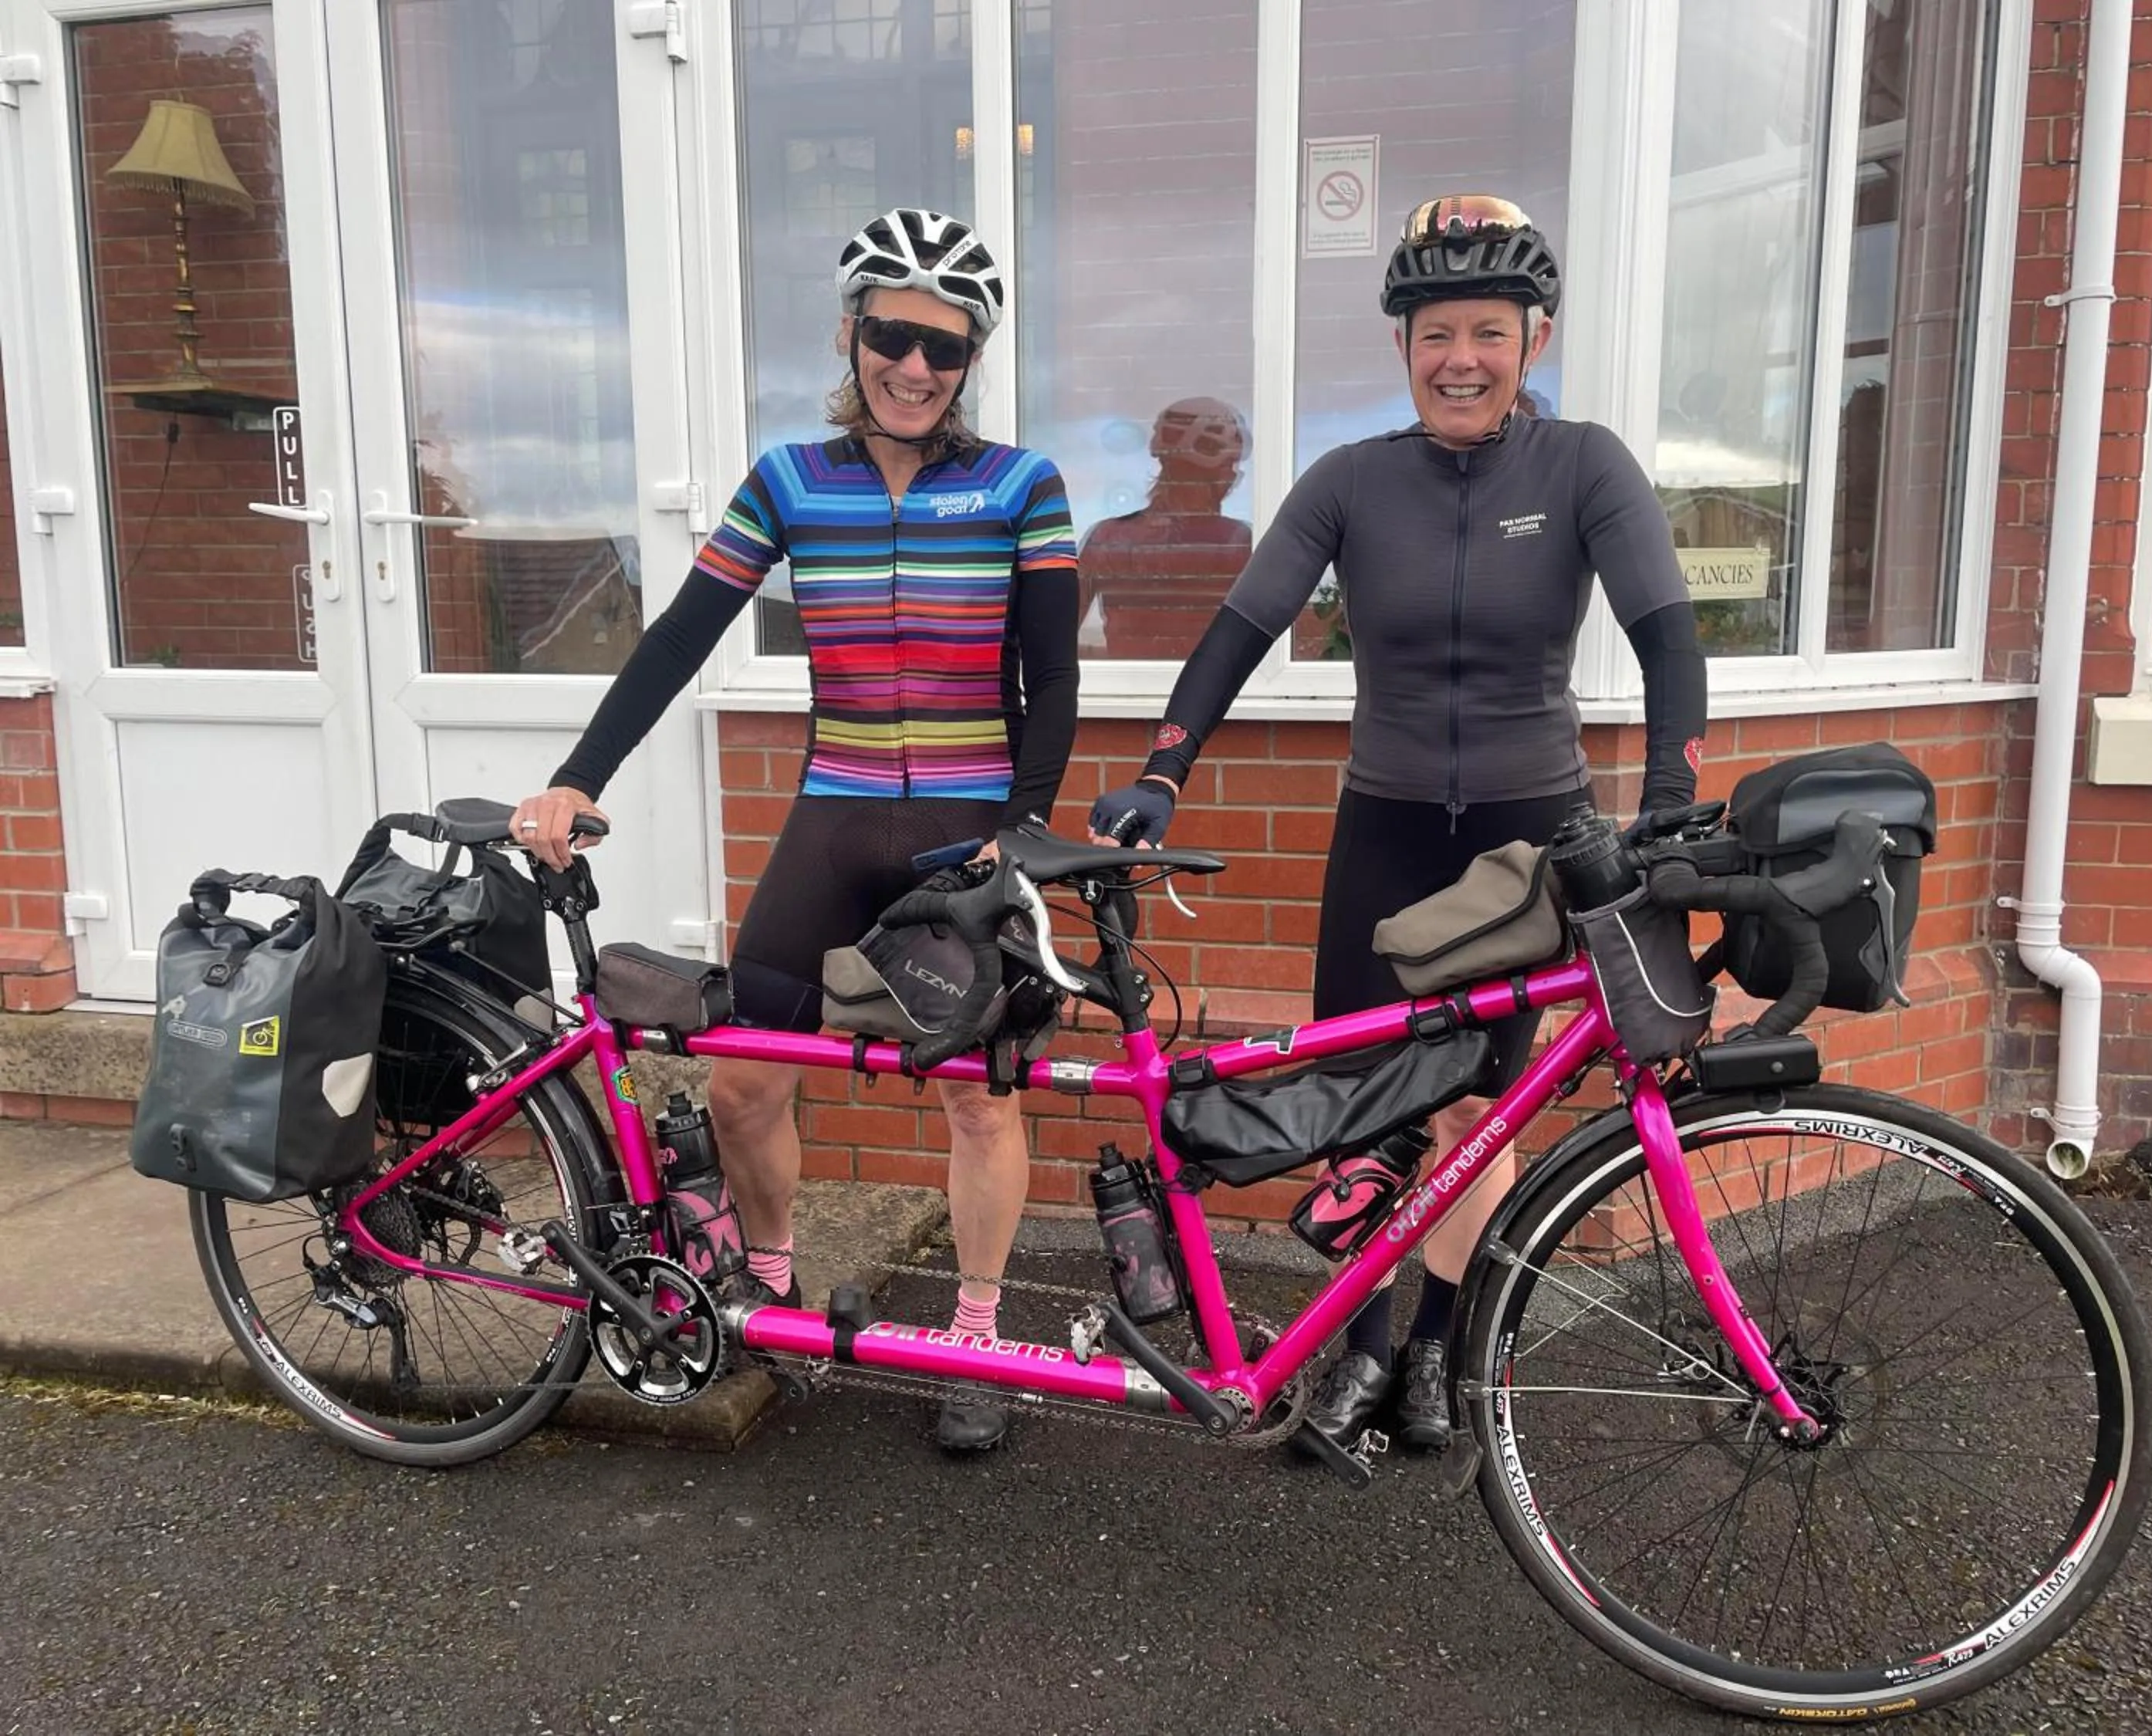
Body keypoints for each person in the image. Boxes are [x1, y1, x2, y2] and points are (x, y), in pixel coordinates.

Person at [1087, 194, 1707, 1454]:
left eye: (1488, 330)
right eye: (1435, 335)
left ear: (1534, 339)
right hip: (1385, 828)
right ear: (1402, 349)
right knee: (1362, 1103)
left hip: (1527, 846)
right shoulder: (1353, 481)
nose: (1461, 358)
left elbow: (1667, 636)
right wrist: (1163, 771)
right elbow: (1240, 630)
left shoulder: (1585, 465)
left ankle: (1436, 1343)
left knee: (1479, 1109)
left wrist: (1672, 806)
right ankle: (1357, 1346)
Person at [514, 208, 1080, 1453]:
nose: (918, 369)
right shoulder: (789, 480)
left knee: (982, 1103)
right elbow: (676, 640)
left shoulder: (1019, 484)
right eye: (894, 337)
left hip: (966, 835)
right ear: (850, 332)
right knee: (742, 1077)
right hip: (834, 819)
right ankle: (767, 1286)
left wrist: (1022, 838)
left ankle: (975, 1340)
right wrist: (575, 778)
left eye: (948, 349)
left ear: (972, 360)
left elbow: (1054, 684)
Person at [1076, 397, 1252, 659]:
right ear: (1212, 470)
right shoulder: (1240, 543)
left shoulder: (1105, 539)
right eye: (1230, 464)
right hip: (1212, 696)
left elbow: (1055, 641)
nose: (1233, 476)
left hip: (1126, 690)